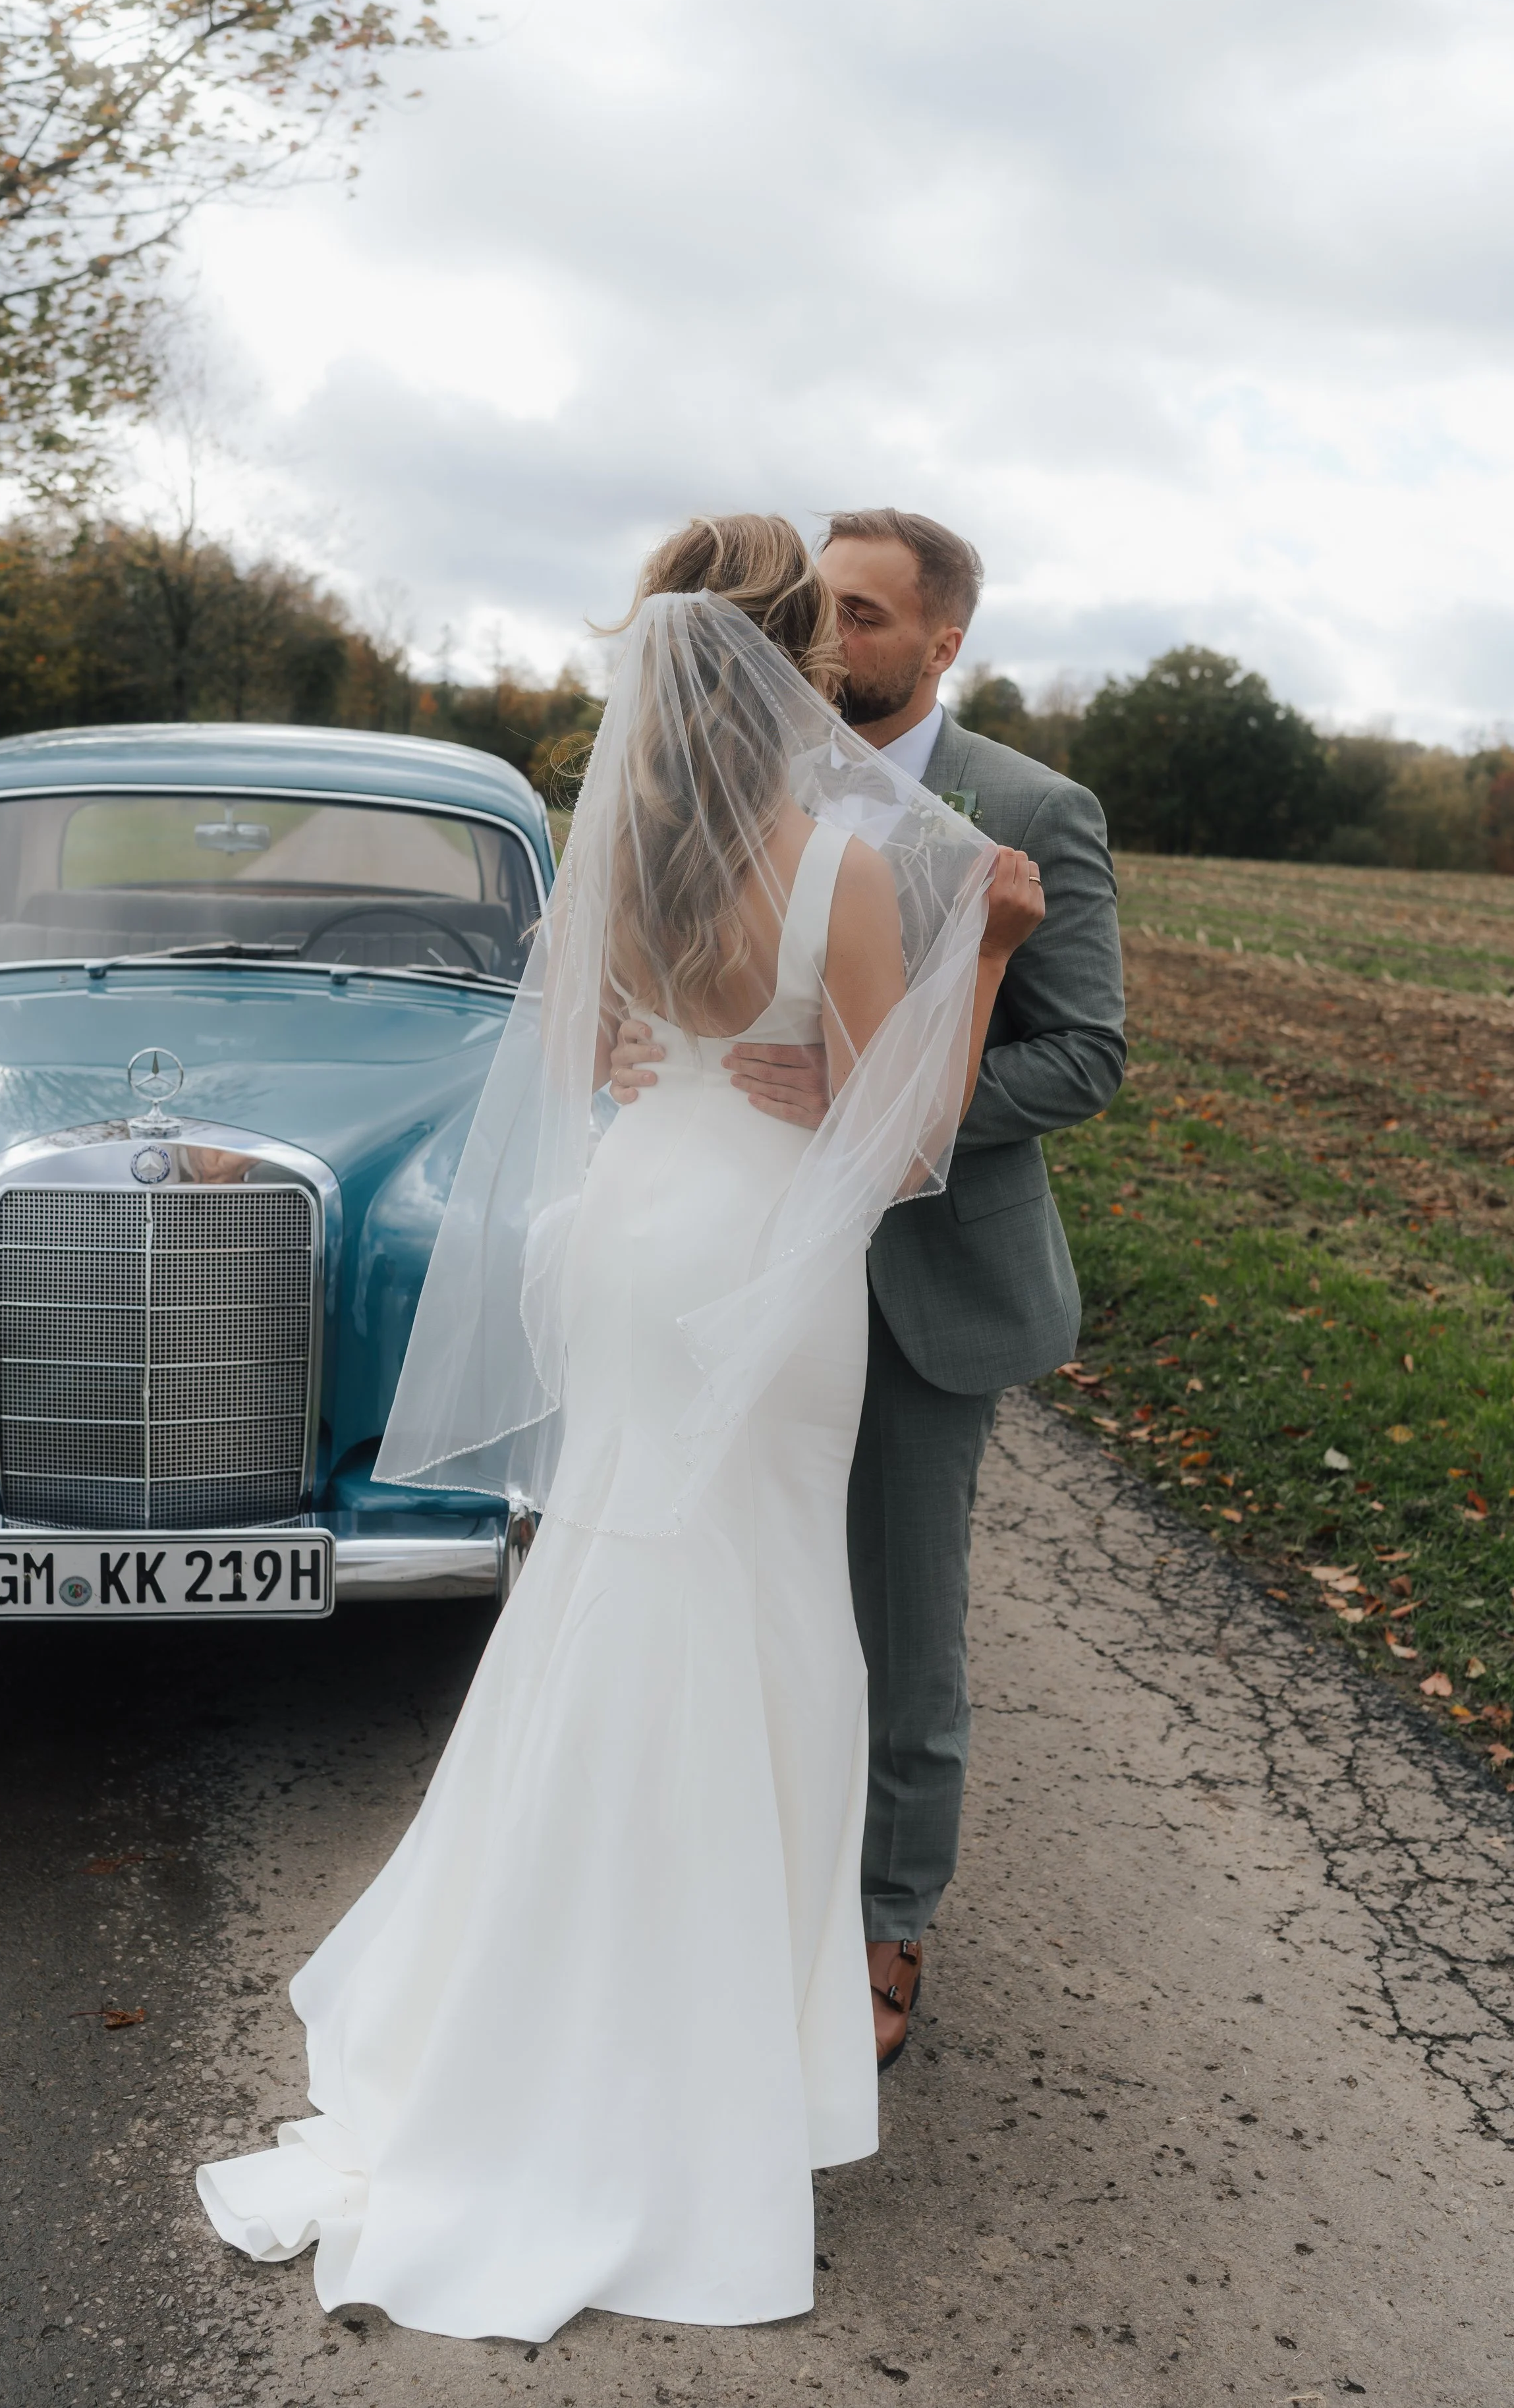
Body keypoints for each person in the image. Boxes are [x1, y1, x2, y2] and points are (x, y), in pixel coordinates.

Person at [195, 515, 1044, 2340]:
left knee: (612, 1591)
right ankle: (690, 2049)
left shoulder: (624, 854)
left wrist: (682, 1059)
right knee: (759, 1620)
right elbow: (900, 1145)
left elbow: (582, 1062)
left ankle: (540, 1987)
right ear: (794, 663)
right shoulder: (841, 866)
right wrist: (976, 962)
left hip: (631, 1233)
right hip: (756, 1266)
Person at [609, 510, 1125, 2067]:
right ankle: (727, 1896)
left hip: (914, 1285)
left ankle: (883, 1925)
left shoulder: (1027, 808)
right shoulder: (724, 783)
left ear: (943, 641)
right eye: (819, 611)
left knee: (901, 1630)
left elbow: (1083, 1055)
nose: (832, 641)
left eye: (867, 616)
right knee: (726, 1590)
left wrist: (866, 1096)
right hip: (727, 1260)